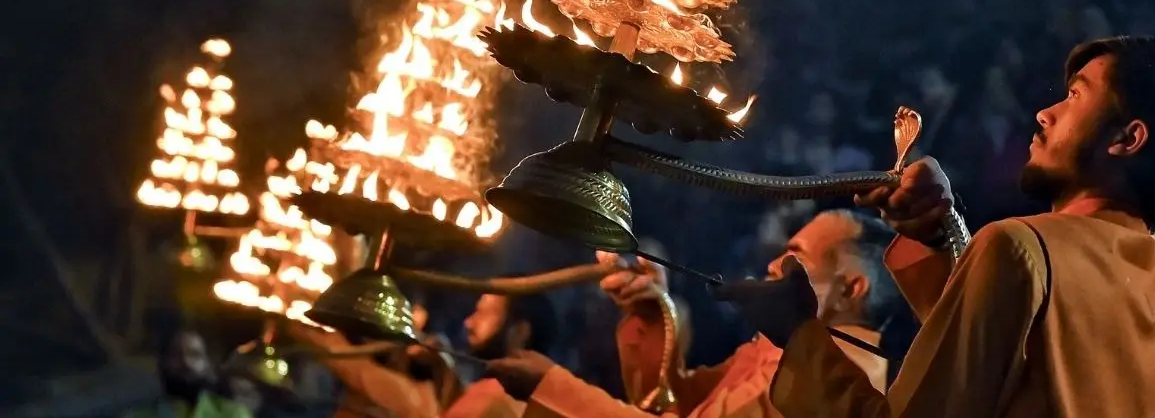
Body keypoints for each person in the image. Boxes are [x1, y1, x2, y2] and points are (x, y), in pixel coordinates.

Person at [714, 36, 1155, 418]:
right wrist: (939, 230)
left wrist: (799, 334)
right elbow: (1021, 373)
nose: (1044, 112)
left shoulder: (1021, 247)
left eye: (1076, 96)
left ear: (1127, 140)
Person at [486, 210, 893, 417]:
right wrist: (650, 312)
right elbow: (674, 402)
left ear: (851, 288)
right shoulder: (791, 352)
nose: (774, 266)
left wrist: (548, 386)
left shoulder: (837, 382)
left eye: (795, 255)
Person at [289, 291, 557, 417]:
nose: (469, 322)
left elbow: (411, 405)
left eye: (484, 312)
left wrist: (315, 336)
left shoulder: (509, 406)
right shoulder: (488, 390)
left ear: (519, 331)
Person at [123, 327, 252, 418]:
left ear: (208, 365)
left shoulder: (233, 415)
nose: (186, 362)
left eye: (195, 354)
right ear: (163, 363)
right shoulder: (140, 415)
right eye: (176, 354)